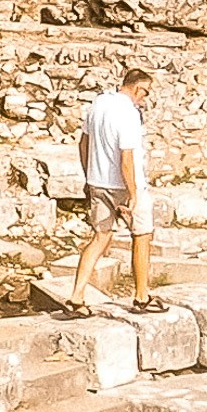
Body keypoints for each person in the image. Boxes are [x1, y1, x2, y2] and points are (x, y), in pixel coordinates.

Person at [74, 65, 152, 303]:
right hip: (124, 185)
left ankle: (76, 296)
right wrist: (133, 192)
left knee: (100, 237)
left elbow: (83, 143)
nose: (145, 98)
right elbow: (126, 157)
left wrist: (89, 176)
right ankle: (141, 296)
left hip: (97, 181)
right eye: (146, 92)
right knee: (142, 235)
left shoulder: (99, 103)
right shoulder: (128, 113)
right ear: (138, 88)